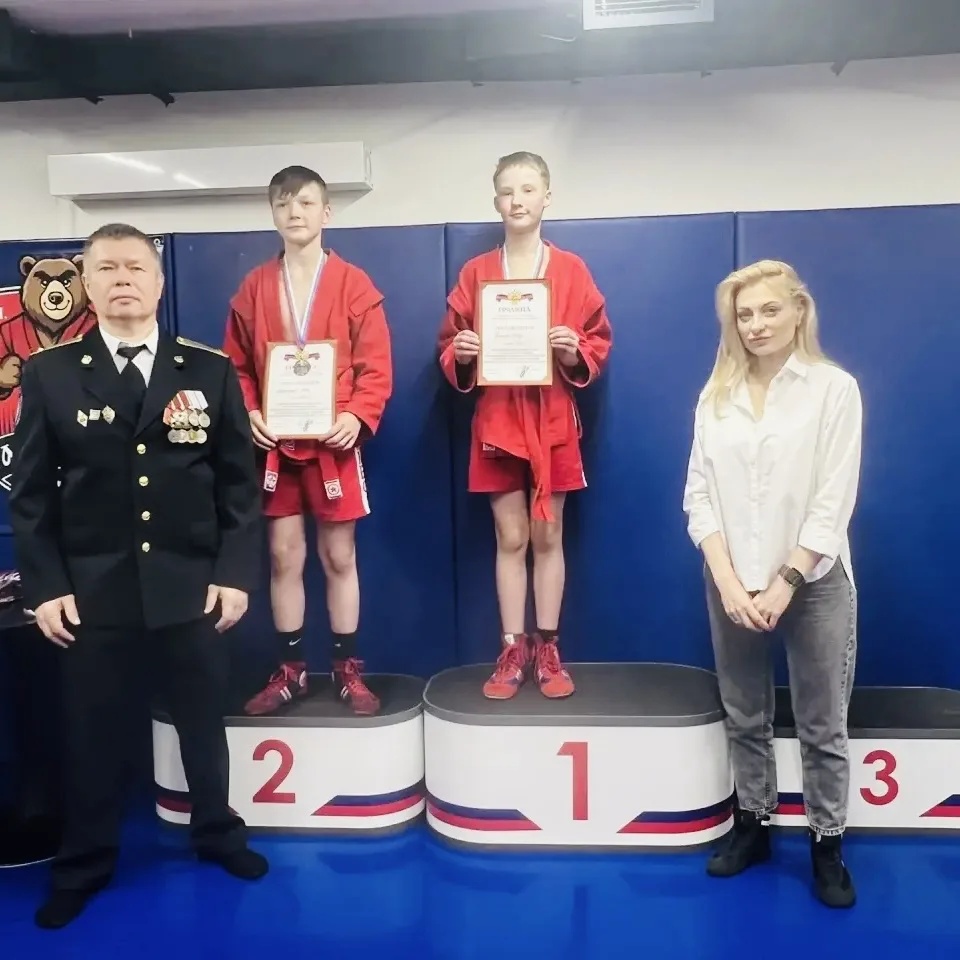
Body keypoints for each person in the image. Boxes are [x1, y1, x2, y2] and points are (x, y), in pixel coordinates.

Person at [9, 222, 268, 930]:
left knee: (202, 728)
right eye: (107, 269)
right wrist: (46, 588)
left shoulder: (207, 370)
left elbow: (237, 485)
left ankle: (218, 835)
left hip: (191, 588)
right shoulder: (51, 374)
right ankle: (85, 864)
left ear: (159, 283)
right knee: (91, 739)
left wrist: (234, 574)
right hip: (93, 596)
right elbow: (29, 496)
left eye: (135, 267)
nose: (122, 278)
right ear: (87, 287)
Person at [682, 259, 862, 909]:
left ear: (798, 311)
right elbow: (699, 496)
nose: (755, 325)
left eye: (768, 310)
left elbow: (833, 499)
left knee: (822, 722)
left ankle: (827, 844)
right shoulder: (716, 395)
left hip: (813, 581)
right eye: (744, 315)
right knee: (745, 714)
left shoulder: (833, 390)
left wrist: (786, 579)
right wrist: (728, 580)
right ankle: (753, 825)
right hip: (731, 579)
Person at [437, 151, 612, 700]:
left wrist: (572, 351)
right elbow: (450, 341)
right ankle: (512, 647)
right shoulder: (476, 273)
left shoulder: (571, 270)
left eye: (528, 189)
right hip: (498, 419)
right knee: (510, 537)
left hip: (552, 418)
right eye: (508, 191)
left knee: (548, 534)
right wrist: (463, 352)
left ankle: (549, 647)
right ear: (496, 201)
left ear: (546, 197)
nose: (517, 200)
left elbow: (597, 340)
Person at [223, 165, 392, 717]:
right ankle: (292, 669)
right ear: (272, 213)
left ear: (326, 212)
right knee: (282, 556)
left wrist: (359, 414)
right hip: (277, 444)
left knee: (339, 555)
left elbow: (375, 366)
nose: (294, 212)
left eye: (305, 203)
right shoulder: (253, 288)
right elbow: (236, 366)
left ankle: (347, 668)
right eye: (283, 204)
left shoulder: (353, 283)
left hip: (333, 445)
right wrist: (248, 409)